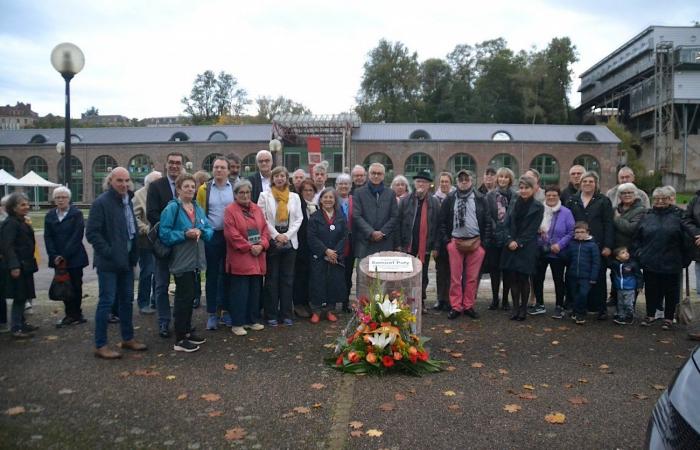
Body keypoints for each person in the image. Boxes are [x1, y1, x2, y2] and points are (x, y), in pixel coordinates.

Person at [86, 167, 147, 359]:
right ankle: (100, 344)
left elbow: (131, 229)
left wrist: (132, 255)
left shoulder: (127, 200)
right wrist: (109, 252)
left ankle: (128, 338)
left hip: (126, 262)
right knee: (106, 302)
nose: (124, 184)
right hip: (109, 263)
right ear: (111, 181)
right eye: (119, 180)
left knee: (127, 301)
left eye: (127, 180)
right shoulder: (101, 202)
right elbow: (92, 233)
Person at [159, 173, 212, 352]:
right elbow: (164, 234)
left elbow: (209, 228)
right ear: (178, 189)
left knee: (190, 297)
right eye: (186, 186)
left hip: (196, 259)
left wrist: (202, 232)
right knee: (183, 297)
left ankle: (187, 331)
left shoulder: (196, 207)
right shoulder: (172, 208)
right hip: (181, 260)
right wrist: (184, 234)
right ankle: (180, 339)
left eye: (192, 186)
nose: (190, 189)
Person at [635, 186, 695, 330]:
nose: (660, 201)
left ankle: (669, 317)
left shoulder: (679, 215)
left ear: (670, 199)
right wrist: (639, 253)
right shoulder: (647, 215)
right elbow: (637, 237)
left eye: (664, 198)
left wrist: (685, 259)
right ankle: (650, 315)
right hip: (650, 259)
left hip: (672, 261)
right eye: (657, 199)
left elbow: (687, 239)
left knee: (671, 291)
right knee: (651, 289)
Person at [439, 169, 491, 320]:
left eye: (466, 179)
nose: (463, 181)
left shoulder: (481, 198)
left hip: (476, 242)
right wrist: (447, 242)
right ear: (457, 181)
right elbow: (442, 222)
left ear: (472, 181)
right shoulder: (450, 198)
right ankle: (456, 306)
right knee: (455, 277)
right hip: (455, 242)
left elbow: (488, 222)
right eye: (460, 179)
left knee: (472, 277)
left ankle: (468, 305)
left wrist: (483, 245)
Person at [565, 171, 614, 320]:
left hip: (597, 244)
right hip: (576, 245)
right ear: (580, 183)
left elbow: (608, 223)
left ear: (596, 184)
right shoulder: (572, 200)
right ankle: (577, 307)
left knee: (597, 276)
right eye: (584, 181)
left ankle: (599, 308)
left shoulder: (603, 200)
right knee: (575, 277)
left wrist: (608, 245)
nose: (587, 184)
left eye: (591, 181)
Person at [258, 166, 303, 326]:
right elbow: (262, 219)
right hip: (272, 241)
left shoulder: (295, 197)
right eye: (276, 176)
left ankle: (286, 314)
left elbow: (299, 219)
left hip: (290, 241)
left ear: (286, 178)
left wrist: (286, 236)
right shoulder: (264, 196)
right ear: (272, 179)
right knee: (271, 279)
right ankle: (271, 314)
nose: (279, 178)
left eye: (282, 176)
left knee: (287, 279)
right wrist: (276, 236)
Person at [224, 179, 269, 336]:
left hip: (257, 257)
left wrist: (262, 245)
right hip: (241, 257)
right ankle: (237, 322)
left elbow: (265, 230)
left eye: (247, 192)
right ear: (235, 195)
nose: (245, 195)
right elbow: (232, 234)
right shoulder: (230, 210)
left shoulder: (257, 209)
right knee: (240, 293)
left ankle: (252, 320)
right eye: (241, 192)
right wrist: (250, 247)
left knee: (255, 291)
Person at [147, 152, 185, 338]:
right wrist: (170, 229)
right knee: (161, 285)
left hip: (182, 245)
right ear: (166, 164)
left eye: (178, 163)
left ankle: (181, 322)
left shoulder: (187, 185)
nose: (174, 166)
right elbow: (151, 214)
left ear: (182, 165)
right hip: (163, 245)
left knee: (183, 286)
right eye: (171, 162)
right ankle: (164, 321)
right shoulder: (156, 186)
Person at [196, 157, 235, 330]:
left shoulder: (234, 188)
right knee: (212, 274)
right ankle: (212, 313)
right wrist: (205, 231)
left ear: (228, 170)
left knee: (228, 273)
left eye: (222, 167)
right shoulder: (204, 189)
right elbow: (199, 212)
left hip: (230, 235)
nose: (219, 170)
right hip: (212, 236)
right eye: (216, 167)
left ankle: (226, 309)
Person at [499, 175, 544, 321]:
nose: (523, 191)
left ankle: (523, 309)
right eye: (522, 188)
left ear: (533, 189)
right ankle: (515, 308)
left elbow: (532, 229)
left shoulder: (538, 207)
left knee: (524, 279)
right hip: (510, 245)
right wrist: (509, 240)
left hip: (526, 247)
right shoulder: (513, 202)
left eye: (527, 188)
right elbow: (506, 224)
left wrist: (518, 242)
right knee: (512, 279)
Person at [44, 186, 89, 327]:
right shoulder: (50, 215)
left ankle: (76, 313)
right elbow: (48, 237)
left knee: (76, 285)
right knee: (63, 286)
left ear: (69, 199)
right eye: (58, 197)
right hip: (57, 259)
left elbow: (77, 236)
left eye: (63, 197)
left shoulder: (76, 214)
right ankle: (69, 314)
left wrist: (64, 255)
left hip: (74, 257)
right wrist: (54, 255)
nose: (60, 200)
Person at [398, 170, 440, 311]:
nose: (421, 184)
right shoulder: (405, 201)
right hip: (408, 244)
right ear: (414, 184)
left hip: (425, 245)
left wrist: (435, 246)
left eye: (424, 182)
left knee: (423, 275)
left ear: (429, 185)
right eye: (418, 181)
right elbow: (398, 222)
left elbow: (438, 225)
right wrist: (399, 244)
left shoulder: (434, 202)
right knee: (406, 274)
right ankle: (405, 301)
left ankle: (420, 302)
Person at [0, 193, 39, 339]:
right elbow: (7, 246)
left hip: (26, 264)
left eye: (27, 204)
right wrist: (14, 265)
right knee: (19, 296)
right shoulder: (11, 223)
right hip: (18, 265)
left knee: (24, 295)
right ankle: (16, 327)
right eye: (22, 204)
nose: (26, 206)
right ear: (13, 208)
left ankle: (21, 323)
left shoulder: (21, 221)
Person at [531, 186, 574, 319]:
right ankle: (539, 304)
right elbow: (531, 227)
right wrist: (537, 230)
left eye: (554, 195)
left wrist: (560, 245)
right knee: (538, 278)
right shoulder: (539, 210)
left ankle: (559, 306)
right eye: (548, 195)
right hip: (541, 250)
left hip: (557, 251)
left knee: (558, 279)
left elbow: (571, 232)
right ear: (545, 196)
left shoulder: (566, 212)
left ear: (558, 196)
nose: (551, 197)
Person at [308, 187, 348, 323]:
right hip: (319, 256)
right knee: (317, 283)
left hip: (335, 257)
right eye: (325, 197)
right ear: (320, 200)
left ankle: (330, 310)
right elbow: (312, 237)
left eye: (331, 197)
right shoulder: (315, 217)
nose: (328, 200)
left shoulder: (341, 217)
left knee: (333, 283)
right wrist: (326, 251)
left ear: (335, 200)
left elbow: (344, 236)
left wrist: (335, 253)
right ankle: (316, 311)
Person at [484, 167, 516, 311]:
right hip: (493, 237)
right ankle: (495, 299)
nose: (503, 179)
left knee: (508, 271)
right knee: (494, 270)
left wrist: (507, 231)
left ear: (510, 180)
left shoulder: (515, 196)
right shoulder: (489, 196)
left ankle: (505, 300)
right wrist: (496, 228)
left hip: (509, 238)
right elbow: (487, 215)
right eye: (500, 177)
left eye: (506, 177)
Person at [352, 162, 399, 259]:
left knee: (384, 274)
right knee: (364, 273)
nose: (376, 176)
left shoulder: (391, 194)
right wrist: (371, 232)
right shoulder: (358, 193)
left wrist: (382, 232)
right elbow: (356, 216)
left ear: (383, 176)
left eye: (379, 173)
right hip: (365, 242)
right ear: (368, 175)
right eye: (373, 173)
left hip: (385, 243)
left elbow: (394, 216)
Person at [133, 171, 161, 315]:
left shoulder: (160, 193)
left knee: (159, 272)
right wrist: (146, 229)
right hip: (145, 241)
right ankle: (143, 302)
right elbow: (134, 217)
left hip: (160, 240)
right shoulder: (139, 195)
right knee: (147, 271)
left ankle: (156, 300)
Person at [562, 221, 601, 325]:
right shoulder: (572, 244)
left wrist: (593, 277)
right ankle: (575, 311)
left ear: (587, 232)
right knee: (574, 295)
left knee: (582, 295)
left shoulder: (592, 245)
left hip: (586, 277)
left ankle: (580, 313)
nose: (579, 234)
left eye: (582, 232)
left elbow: (596, 263)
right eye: (577, 232)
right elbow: (567, 258)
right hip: (573, 275)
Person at [293, 179, 317, 318]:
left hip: (312, 248)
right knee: (299, 276)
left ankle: (306, 302)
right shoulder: (298, 205)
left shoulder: (316, 206)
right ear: (300, 192)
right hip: (301, 246)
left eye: (311, 190)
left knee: (309, 276)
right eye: (305, 190)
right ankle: (298, 303)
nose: (308, 193)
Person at [432, 172, 455, 311]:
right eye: (442, 182)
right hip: (438, 240)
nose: (444, 184)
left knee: (453, 271)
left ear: (451, 183)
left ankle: (451, 299)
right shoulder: (435, 199)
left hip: (452, 239)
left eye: (447, 181)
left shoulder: (456, 197)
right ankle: (440, 298)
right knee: (440, 271)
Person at [609, 247, 643, 325]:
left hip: (630, 288)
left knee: (628, 303)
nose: (626, 253)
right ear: (617, 257)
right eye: (623, 252)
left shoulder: (633, 264)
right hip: (619, 288)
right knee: (620, 303)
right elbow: (612, 274)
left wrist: (640, 285)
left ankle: (629, 316)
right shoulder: (615, 264)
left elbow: (639, 276)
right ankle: (621, 316)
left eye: (627, 252)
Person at [336, 174, 354, 312]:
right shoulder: (332, 200)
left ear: (350, 186)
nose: (343, 186)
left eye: (346, 184)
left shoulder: (355, 200)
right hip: (335, 242)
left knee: (348, 273)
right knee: (335, 273)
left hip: (351, 243)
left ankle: (345, 302)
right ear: (336, 186)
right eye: (341, 183)